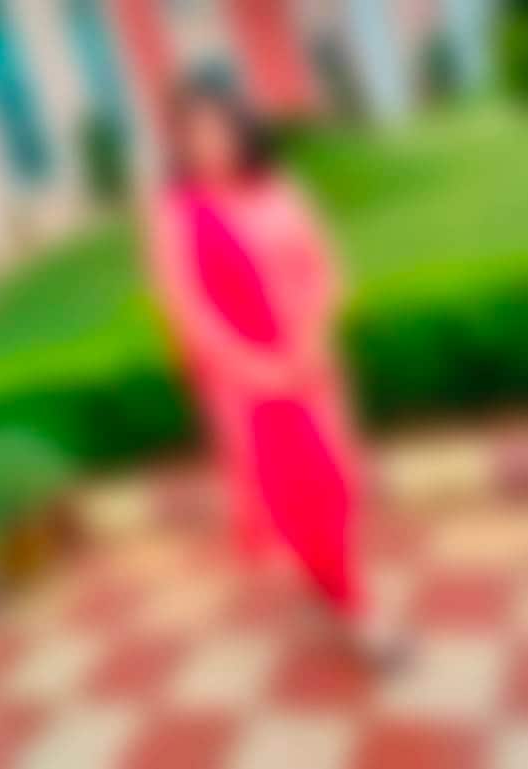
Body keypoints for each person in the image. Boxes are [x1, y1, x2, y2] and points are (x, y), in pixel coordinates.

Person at [148, 80, 391, 660]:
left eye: (217, 129)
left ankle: (332, 586)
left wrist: (313, 337)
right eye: (193, 135)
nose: (209, 144)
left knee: (334, 491)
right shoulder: (177, 215)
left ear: (240, 128)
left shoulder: (280, 190)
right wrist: (261, 371)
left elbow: (325, 267)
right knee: (297, 501)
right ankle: (362, 615)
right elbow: (189, 311)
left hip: (313, 370)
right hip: (247, 391)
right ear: (179, 143)